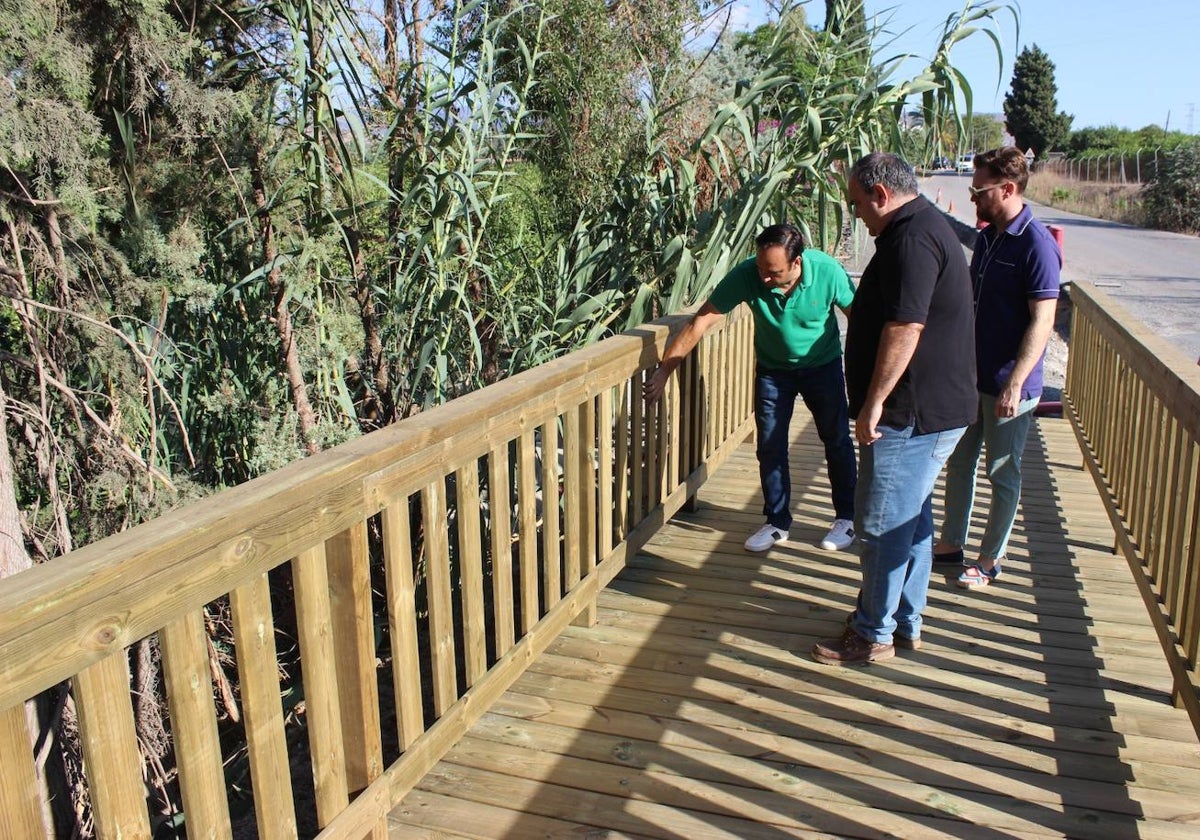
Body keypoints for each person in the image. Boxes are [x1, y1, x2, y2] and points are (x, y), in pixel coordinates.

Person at [812, 152, 976, 665]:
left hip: (910, 412)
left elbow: (906, 327)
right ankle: (904, 622)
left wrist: (873, 404)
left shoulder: (911, 238)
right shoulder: (921, 227)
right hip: (933, 408)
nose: (856, 213)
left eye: (858, 203)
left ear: (881, 194)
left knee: (881, 523)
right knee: (912, 519)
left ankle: (872, 633)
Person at [643, 223, 857, 553]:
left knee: (837, 440)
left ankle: (847, 518)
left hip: (822, 367)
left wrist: (871, 379)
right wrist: (665, 370)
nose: (764, 278)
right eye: (761, 269)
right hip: (773, 372)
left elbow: (859, 317)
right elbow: (702, 319)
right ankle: (777, 522)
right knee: (770, 446)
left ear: (797, 263)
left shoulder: (827, 271)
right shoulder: (748, 274)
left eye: (773, 272)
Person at [932, 146, 1061, 588]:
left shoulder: (1037, 244)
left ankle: (989, 561)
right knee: (960, 461)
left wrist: (1015, 383)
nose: (971, 197)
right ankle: (950, 544)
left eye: (978, 189)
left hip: (1011, 386)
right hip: (973, 376)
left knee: (1002, 471)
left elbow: (1043, 321)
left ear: (1007, 189)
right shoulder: (987, 237)